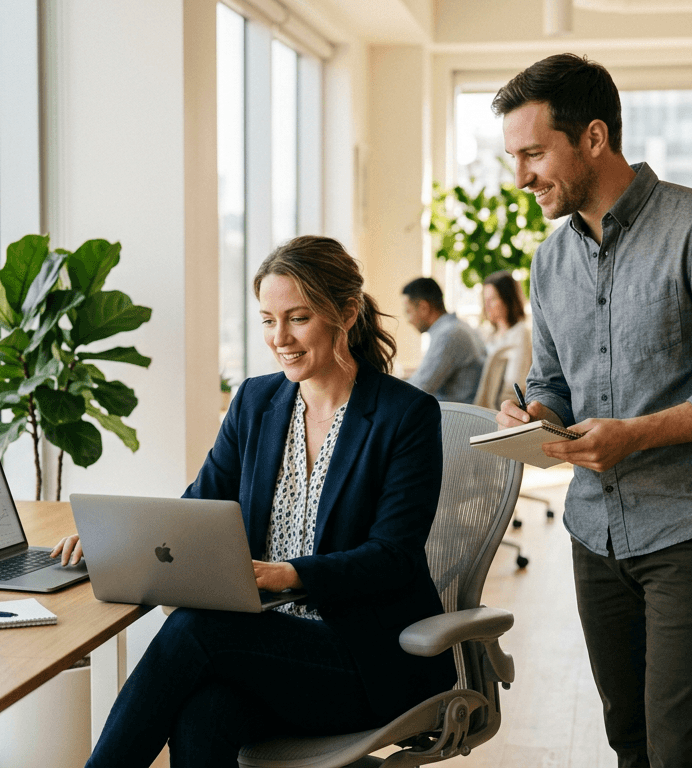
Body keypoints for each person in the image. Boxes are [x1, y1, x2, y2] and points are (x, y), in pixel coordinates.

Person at [52, 235, 457, 768]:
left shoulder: (406, 415)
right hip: (266, 648)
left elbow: (394, 557)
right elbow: (198, 509)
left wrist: (289, 575)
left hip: (364, 658)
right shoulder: (255, 401)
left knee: (196, 628)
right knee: (203, 717)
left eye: (298, 318)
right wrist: (116, 543)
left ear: (347, 312)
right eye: (267, 320)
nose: (279, 338)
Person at [492, 54, 692, 767]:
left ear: (594, 138)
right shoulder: (549, 261)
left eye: (534, 153)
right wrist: (534, 410)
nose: (520, 176)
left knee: (681, 747)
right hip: (596, 531)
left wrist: (638, 435)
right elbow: (555, 377)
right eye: (513, 157)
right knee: (628, 740)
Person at [401, 276, 486, 403]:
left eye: (409, 311)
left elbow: (420, 387)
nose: (408, 320)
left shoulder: (448, 335)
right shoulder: (458, 327)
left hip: (454, 415)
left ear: (424, 307)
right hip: (460, 409)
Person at [480, 270, 534, 406]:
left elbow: (514, 384)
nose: (487, 306)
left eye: (493, 299)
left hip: (499, 408)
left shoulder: (520, 334)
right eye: (485, 300)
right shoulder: (489, 334)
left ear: (508, 300)